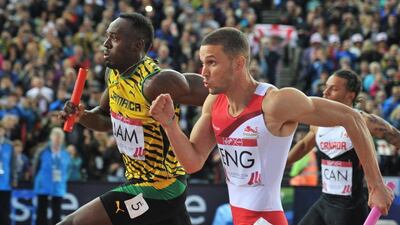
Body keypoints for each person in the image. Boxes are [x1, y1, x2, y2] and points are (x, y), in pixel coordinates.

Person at [149, 27, 394, 225]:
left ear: (238, 63)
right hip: (240, 215)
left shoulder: (276, 103)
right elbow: (192, 162)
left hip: (264, 218)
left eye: (212, 63)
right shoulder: (214, 102)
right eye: (202, 63)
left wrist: (376, 185)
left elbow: (352, 118)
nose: (203, 72)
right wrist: (170, 125)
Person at [58, 12, 207, 225]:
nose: (105, 44)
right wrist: (82, 116)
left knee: (74, 223)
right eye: (107, 36)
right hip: (141, 183)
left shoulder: (155, 83)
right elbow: (105, 119)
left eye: (115, 38)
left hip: (161, 188)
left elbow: (215, 93)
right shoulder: (114, 74)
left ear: (137, 45)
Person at [286, 69, 400, 225]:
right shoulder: (318, 123)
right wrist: (281, 164)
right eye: (326, 87)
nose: (325, 92)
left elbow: (396, 137)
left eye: (333, 88)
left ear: (350, 95)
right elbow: (304, 145)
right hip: (325, 201)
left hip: (351, 207)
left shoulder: (365, 121)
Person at [33, 127, 71, 225]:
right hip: (43, 184)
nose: (58, 140)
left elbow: (68, 169)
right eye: (56, 137)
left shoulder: (65, 154)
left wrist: (64, 179)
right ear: (51, 137)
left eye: (60, 138)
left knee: (57, 213)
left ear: (62, 139)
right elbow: (35, 167)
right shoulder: (42, 151)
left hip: (58, 185)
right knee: (41, 211)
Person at [0, 123, 15, 225]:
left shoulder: (9, 145)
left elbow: (12, 164)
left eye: (1, 130)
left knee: (5, 210)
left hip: (5, 183)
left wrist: (13, 179)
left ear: (4, 131)